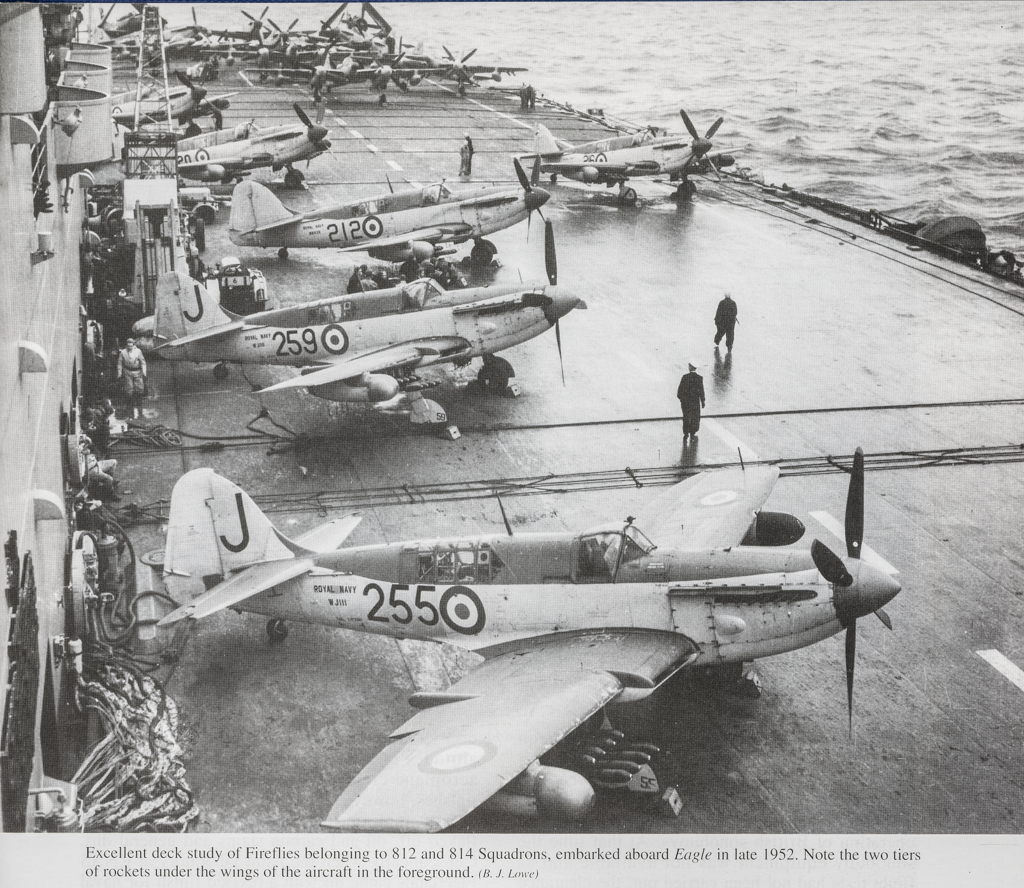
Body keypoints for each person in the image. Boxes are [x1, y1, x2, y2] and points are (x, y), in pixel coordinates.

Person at [117, 336, 147, 420]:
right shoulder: (123, 352)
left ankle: (139, 403)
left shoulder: (138, 351)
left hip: (137, 371)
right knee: (129, 389)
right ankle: (130, 406)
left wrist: (144, 372)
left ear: (133, 345)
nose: (129, 347)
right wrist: (119, 373)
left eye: (131, 346)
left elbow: (143, 362)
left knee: (140, 388)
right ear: (126, 346)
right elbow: (119, 363)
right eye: (128, 346)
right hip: (127, 372)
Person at [677, 361, 706, 441]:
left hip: (686, 402)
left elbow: (680, 390)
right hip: (695, 402)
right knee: (695, 417)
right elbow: (701, 391)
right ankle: (693, 432)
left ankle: (686, 432)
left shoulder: (685, 377)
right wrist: (703, 401)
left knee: (686, 416)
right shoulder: (699, 378)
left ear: (690, 367)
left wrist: (681, 399)